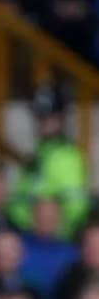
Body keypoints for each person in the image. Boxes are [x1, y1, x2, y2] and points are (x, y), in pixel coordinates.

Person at [7, 83, 89, 241]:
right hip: (28, 237)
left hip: (58, 240)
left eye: (48, 116)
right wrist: (27, 225)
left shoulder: (70, 156)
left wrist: (48, 226)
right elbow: (18, 201)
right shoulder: (36, 154)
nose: (43, 122)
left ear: (61, 118)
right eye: (40, 117)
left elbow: (77, 207)